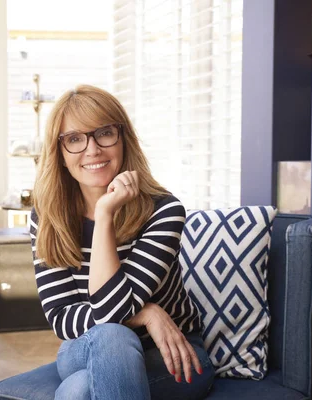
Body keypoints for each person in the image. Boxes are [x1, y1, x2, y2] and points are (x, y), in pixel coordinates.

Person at [30, 85, 215, 400]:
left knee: (78, 391)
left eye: (104, 133)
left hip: (169, 353)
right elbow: (62, 318)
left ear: (123, 139)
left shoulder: (164, 211)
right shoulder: (47, 217)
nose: (92, 150)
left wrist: (104, 215)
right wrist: (147, 313)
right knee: (111, 336)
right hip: (83, 349)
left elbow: (111, 310)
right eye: (74, 139)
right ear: (58, 154)